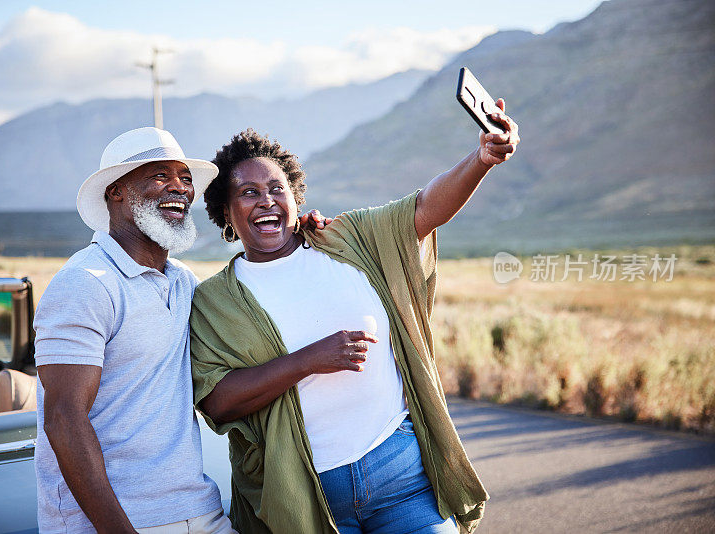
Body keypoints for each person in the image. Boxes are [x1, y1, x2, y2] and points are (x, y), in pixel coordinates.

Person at [190, 100, 519, 533]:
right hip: (306, 499)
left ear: (295, 196)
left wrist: (482, 159)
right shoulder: (216, 301)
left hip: (401, 477)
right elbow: (217, 399)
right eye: (248, 192)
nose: (266, 200)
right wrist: (307, 361)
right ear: (226, 211)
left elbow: (423, 208)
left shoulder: (348, 239)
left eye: (277, 188)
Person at [34, 127, 232, 533]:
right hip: (118, 521)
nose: (179, 188)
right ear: (116, 193)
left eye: (185, 178)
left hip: (200, 510)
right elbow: (63, 417)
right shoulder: (85, 283)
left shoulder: (182, 282)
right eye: (160, 176)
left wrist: (303, 238)